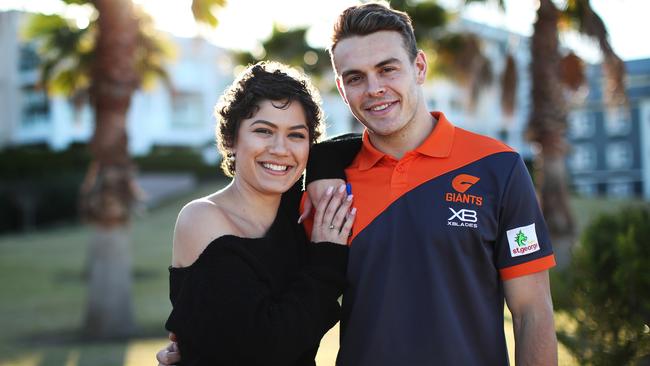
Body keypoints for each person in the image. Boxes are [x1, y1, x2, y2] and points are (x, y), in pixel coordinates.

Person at [159, 2, 558, 365]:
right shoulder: (322, 191)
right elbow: (257, 304)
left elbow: (532, 313)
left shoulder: (498, 168)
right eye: (355, 77)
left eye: (387, 69)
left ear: (419, 67)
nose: (374, 89)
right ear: (342, 89)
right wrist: (199, 340)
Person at [161, 61, 356, 365]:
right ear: (230, 140)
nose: (280, 148)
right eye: (263, 131)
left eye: (296, 135)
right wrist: (328, 257)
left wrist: (322, 165)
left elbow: (370, 144)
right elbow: (267, 348)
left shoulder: (294, 213)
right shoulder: (202, 218)